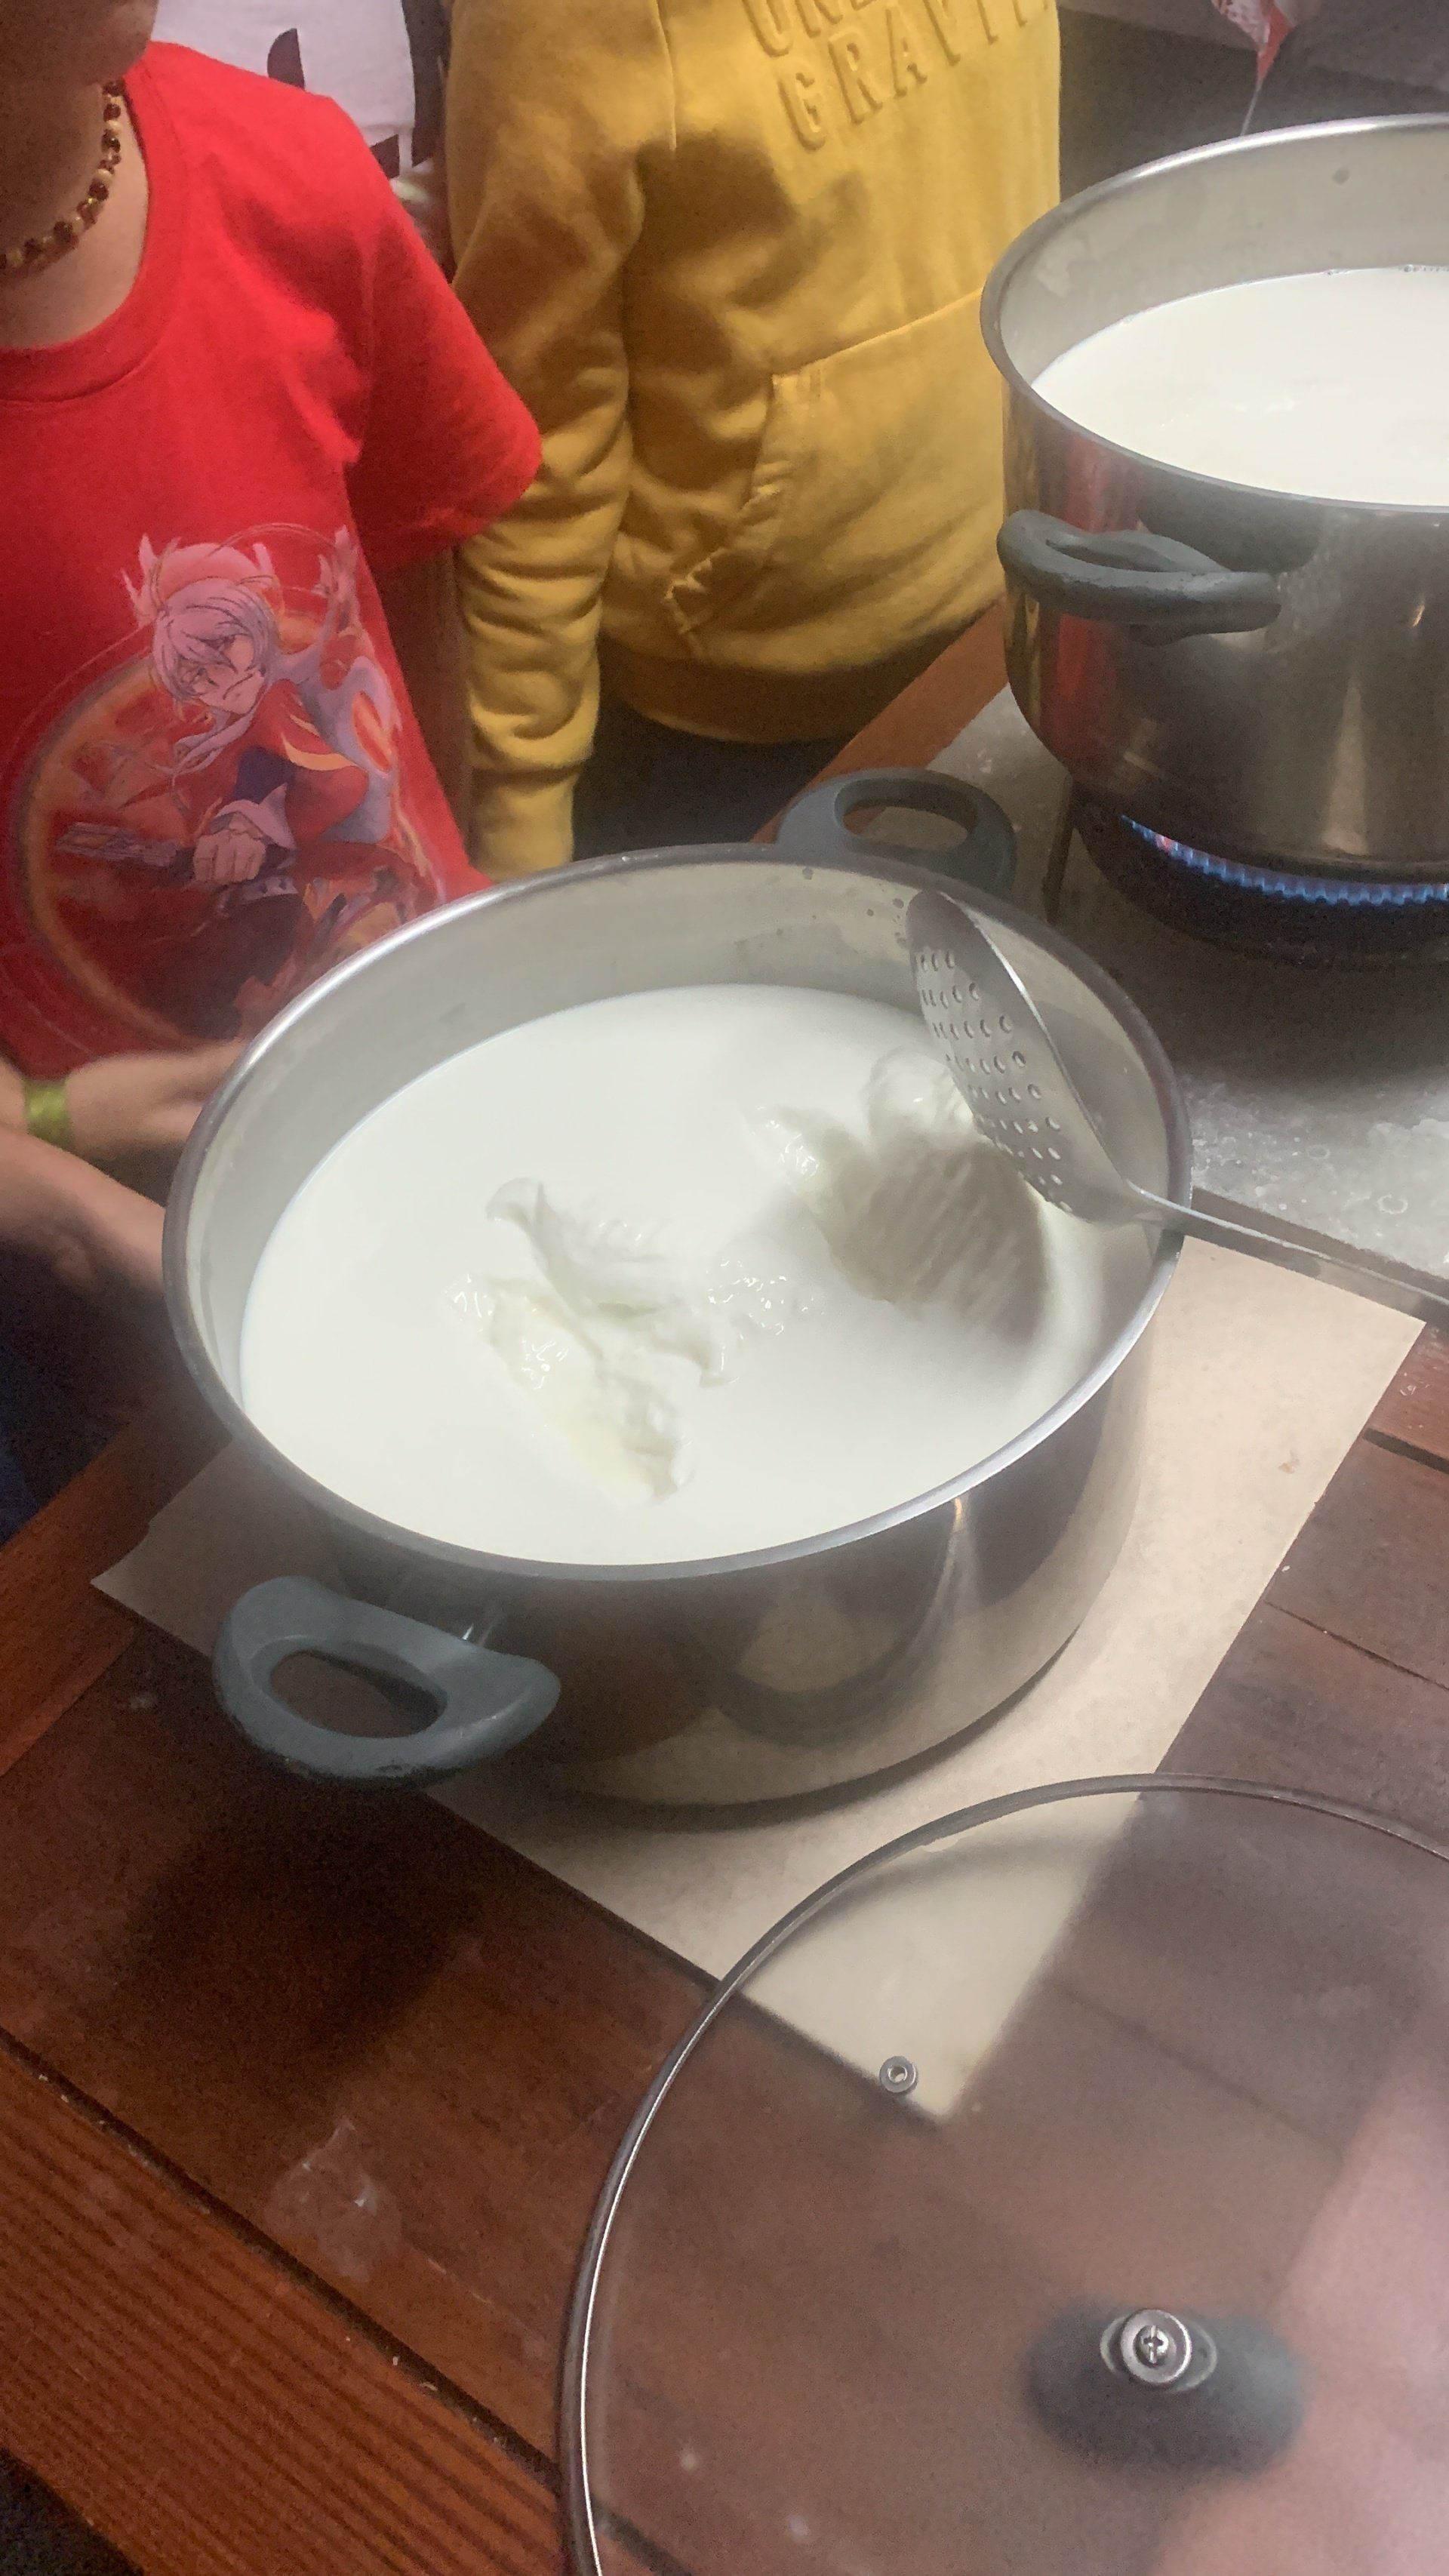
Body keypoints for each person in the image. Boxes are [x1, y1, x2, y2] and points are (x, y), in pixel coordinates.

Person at [0, 0, 537, 1153]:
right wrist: (44, 1126)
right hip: (124, 1169)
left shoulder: (294, 173)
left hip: (429, 1035)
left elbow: (419, 616)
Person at [446, 0, 1060, 873]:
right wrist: (519, 821)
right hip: (725, 746)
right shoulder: (559, 22)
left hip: (1006, 616)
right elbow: (537, 438)